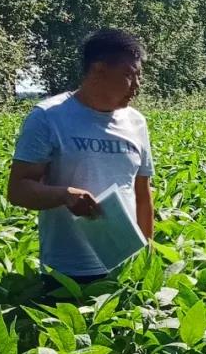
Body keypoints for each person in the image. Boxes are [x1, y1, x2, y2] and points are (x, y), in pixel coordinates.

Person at [8, 28, 154, 287]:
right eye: (129, 75)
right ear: (99, 70)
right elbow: (18, 190)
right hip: (66, 271)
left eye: (139, 76)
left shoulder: (136, 122)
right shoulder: (48, 117)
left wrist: (147, 258)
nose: (137, 85)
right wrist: (64, 195)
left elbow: (142, 194)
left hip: (125, 269)